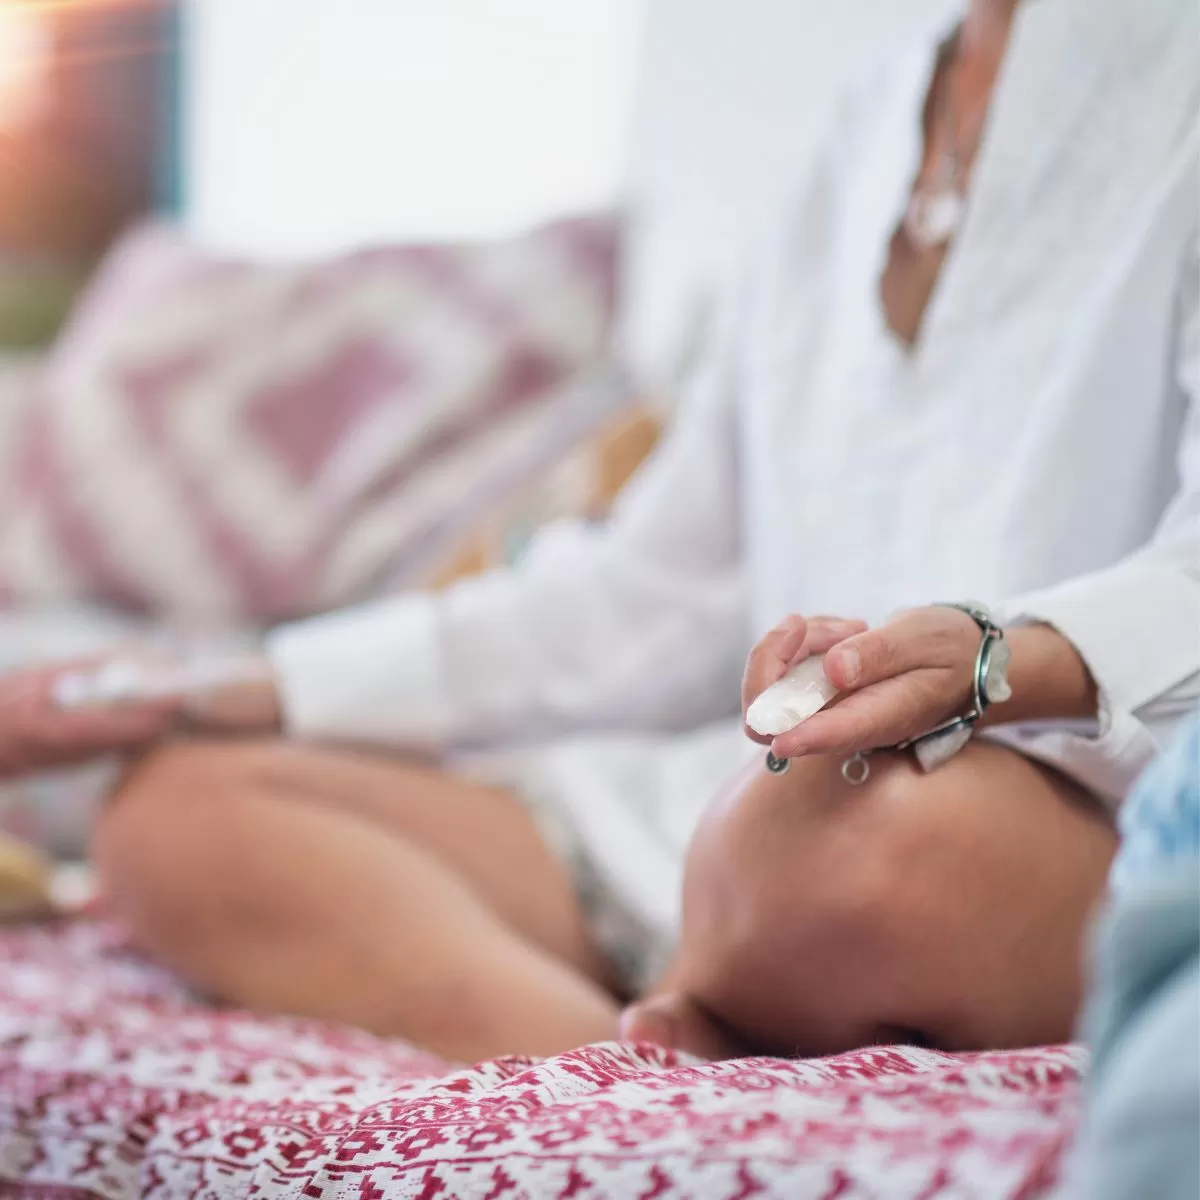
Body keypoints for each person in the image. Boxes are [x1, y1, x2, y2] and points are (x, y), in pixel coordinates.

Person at [1, 0, 1196, 1063]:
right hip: (734, 812)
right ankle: (597, 1072)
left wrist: (991, 660)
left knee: (834, 845)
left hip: (1021, 825)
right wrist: (205, 692)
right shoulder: (864, 136)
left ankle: (700, 1001)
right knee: (175, 808)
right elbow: (644, 594)